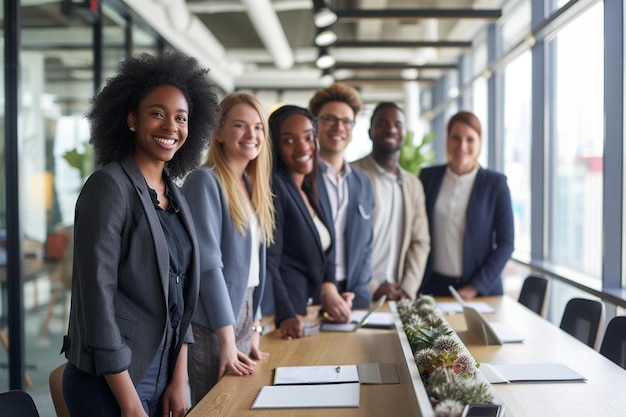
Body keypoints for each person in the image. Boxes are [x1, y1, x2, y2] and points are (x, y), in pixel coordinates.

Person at [61, 51, 220, 417]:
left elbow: (180, 297)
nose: (171, 127)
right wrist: (131, 402)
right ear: (131, 118)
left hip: (164, 374)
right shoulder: (108, 186)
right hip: (111, 383)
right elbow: (95, 301)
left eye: (181, 118)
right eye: (157, 113)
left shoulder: (175, 194)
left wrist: (179, 379)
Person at [181, 93, 274, 404]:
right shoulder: (204, 182)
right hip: (214, 323)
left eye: (258, 127)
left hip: (244, 315)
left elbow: (252, 269)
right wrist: (227, 339)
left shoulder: (249, 185)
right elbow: (209, 267)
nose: (252, 135)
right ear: (219, 132)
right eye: (240, 125)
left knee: (239, 402)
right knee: (216, 406)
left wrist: (256, 325)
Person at [266, 105, 352, 339]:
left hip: (307, 312)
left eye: (307, 137)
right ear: (275, 146)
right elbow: (270, 262)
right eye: (289, 141)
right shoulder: (275, 188)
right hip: (285, 320)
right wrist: (286, 315)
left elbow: (318, 255)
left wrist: (329, 293)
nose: (303, 147)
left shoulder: (308, 188)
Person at [418, 110, 514, 298]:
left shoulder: (495, 184)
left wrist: (475, 287)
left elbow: (506, 243)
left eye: (470, 139)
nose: (462, 146)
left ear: (479, 142)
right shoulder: (428, 178)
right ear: (447, 139)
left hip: (479, 290)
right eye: (456, 138)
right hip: (434, 286)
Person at [352, 102, 430, 302]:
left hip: (399, 296)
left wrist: (406, 289)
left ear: (404, 132)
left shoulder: (413, 184)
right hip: (358, 293)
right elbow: (347, 242)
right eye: (382, 124)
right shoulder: (352, 175)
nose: (391, 129)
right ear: (370, 131)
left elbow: (420, 242)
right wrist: (373, 286)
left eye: (398, 124)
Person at [308, 82, 374, 308]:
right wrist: (325, 289)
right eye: (329, 119)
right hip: (311, 295)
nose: (339, 127)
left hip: (353, 295)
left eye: (346, 121)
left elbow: (366, 245)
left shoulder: (362, 182)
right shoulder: (302, 178)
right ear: (314, 124)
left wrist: (358, 291)